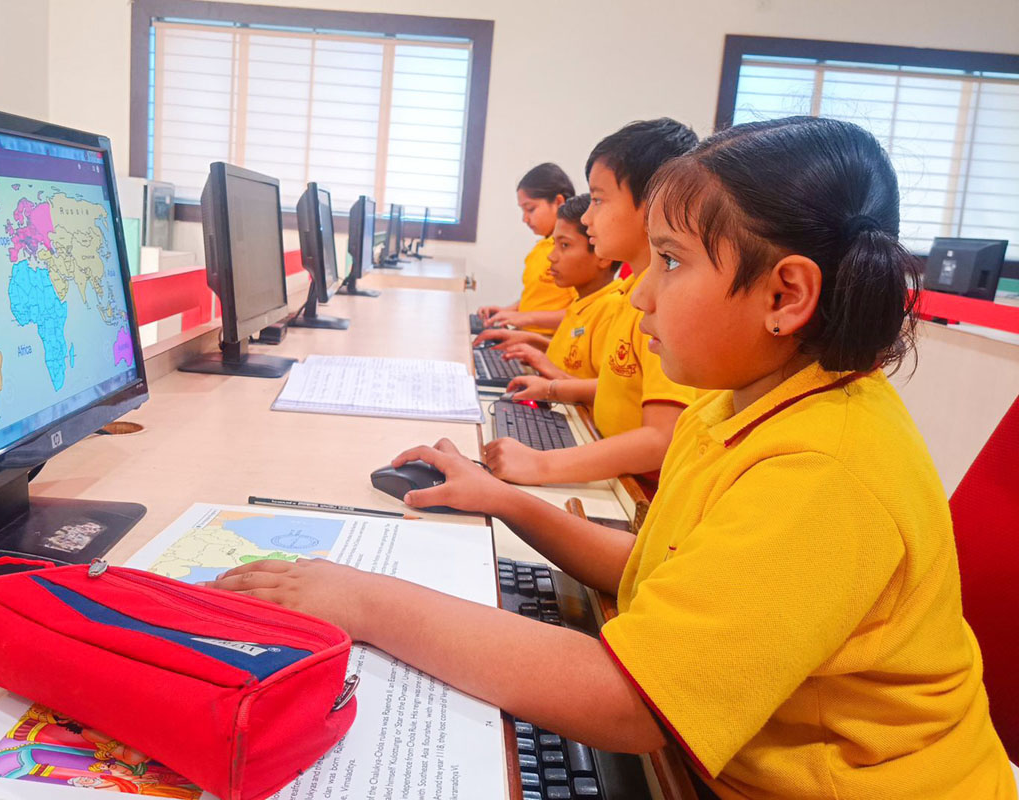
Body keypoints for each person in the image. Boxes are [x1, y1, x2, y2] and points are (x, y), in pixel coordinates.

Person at [205, 116, 1016, 799]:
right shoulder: (743, 403)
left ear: (786, 295)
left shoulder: (823, 469)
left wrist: (364, 600)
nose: (639, 293)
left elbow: (629, 703)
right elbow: (661, 570)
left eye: (672, 262)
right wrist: (506, 500)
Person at [488, 120, 697, 485]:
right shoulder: (631, 292)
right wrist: (552, 389)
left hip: (636, 494)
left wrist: (541, 465)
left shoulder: (668, 304)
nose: (586, 217)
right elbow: (621, 388)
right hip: (610, 466)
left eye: (598, 199)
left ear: (655, 204)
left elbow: (662, 438)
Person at [476, 194, 623, 380]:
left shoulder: (612, 310)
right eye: (554, 244)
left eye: (565, 245)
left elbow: (606, 389)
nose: (551, 257)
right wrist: (529, 340)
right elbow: (568, 359)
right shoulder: (584, 302)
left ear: (603, 256)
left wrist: (547, 375)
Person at [476, 163, 577, 335]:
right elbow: (537, 299)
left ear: (559, 202)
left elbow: (582, 313)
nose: (525, 219)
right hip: (526, 334)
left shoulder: (573, 252)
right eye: (523, 210)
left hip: (550, 341)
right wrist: (507, 311)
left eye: (530, 209)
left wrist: (525, 318)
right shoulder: (541, 248)